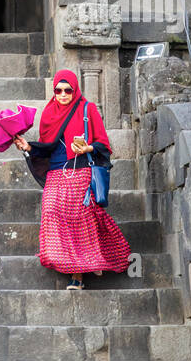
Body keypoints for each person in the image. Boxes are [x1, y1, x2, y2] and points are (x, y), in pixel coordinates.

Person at [14, 69, 130, 291]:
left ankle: (77, 275)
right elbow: (46, 147)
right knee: (51, 210)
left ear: (75, 89)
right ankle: (67, 260)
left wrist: (87, 147)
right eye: (59, 90)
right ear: (54, 91)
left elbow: (104, 145)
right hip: (56, 173)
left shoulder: (88, 108)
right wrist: (28, 147)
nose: (63, 94)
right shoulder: (48, 114)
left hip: (81, 171)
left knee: (79, 217)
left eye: (68, 90)